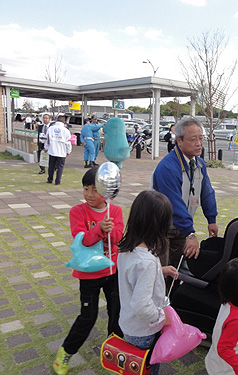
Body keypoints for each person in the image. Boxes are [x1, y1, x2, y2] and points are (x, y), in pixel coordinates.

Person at [53, 168, 124, 374]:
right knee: (88, 317)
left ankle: (115, 350)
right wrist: (100, 228)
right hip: (89, 274)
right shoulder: (77, 211)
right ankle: (66, 351)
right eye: (86, 189)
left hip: (112, 271)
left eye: (95, 190)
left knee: (116, 313)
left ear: (108, 190)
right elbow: (82, 239)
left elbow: (119, 238)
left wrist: (111, 230)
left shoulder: (115, 211)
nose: (90, 195)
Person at [117, 190, 179, 375]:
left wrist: (162, 270)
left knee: (132, 368)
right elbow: (142, 306)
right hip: (145, 331)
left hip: (129, 325)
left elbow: (133, 277)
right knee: (147, 369)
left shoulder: (126, 249)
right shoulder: (148, 262)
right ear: (158, 226)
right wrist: (162, 317)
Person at [152, 116, 218, 268]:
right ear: (179, 141)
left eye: (201, 138)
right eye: (193, 139)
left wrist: (212, 219)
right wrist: (190, 233)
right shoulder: (167, 168)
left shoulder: (199, 163)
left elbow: (207, 192)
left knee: (177, 269)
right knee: (162, 272)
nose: (199, 144)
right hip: (162, 228)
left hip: (182, 227)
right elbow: (174, 203)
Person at [205, 258, 238, 375]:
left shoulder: (228, 302)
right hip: (227, 370)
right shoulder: (237, 319)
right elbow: (224, 349)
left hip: (215, 362)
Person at [44, 115, 72, 185]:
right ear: (64, 121)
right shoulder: (66, 130)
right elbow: (68, 142)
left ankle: (50, 179)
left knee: (51, 166)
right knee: (60, 167)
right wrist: (68, 151)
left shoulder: (51, 128)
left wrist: (46, 147)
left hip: (52, 150)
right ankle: (58, 181)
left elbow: (47, 139)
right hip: (62, 151)